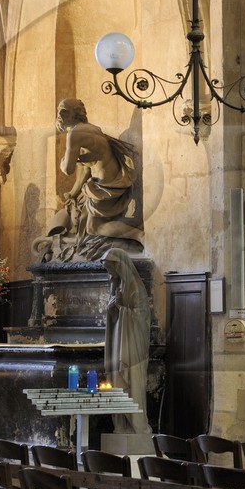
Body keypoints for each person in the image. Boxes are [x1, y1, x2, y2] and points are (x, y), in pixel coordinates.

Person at [43, 98, 143, 259]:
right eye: (59, 111)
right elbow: (86, 169)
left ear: (76, 114)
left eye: (64, 111)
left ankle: (139, 236)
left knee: (94, 227)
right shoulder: (90, 129)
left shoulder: (75, 134)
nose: (59, 115)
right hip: (101, 182)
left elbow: (67, 169)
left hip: (105, 185)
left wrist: (63, 161)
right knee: (82, 217)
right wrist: (73, 193)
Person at [103, 249, 150, 433]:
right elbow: (114, 317)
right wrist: (112, 310)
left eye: (111, 267)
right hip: (119, 343)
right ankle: (121, 426)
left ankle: (138, 428)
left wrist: (122, 310)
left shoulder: (135, 286)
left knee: (134, 386)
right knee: (118, 385)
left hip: (132, 347)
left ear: (120, 265)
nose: (110, 273)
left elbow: (142, 317)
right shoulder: (117, 284)